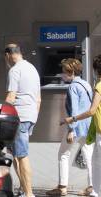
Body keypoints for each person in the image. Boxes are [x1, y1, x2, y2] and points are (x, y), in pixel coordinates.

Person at [48, 58, 94, 196]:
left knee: (63, 154)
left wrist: (71, 130)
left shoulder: (73, 87)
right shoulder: (86, 84)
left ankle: (62, 187)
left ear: (71, 72)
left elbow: (74, 109)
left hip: (76, 127)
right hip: (88, 126)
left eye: (64, 71)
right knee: (89, 157)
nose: (62, 74)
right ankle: (91, 187)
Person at [5, 43, 41, 197]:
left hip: (19, 117)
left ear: (8, 55)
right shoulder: (32, 69)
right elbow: (39, 99)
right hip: (31, 115)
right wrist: (34, 117)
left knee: (22, 155)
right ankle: (23, 188)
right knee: (13, 153)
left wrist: (1, 114)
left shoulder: (15, 70)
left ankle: (29, 194)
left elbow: (11, 98)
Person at [63, 55, 101, 197]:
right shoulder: (87, 84)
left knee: (96, 163)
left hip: (93, 129)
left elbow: (90, 110)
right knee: (93, 160)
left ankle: (63, 186)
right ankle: (94, 190)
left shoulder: (97, 86)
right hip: (93, 128)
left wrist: (72, 121)